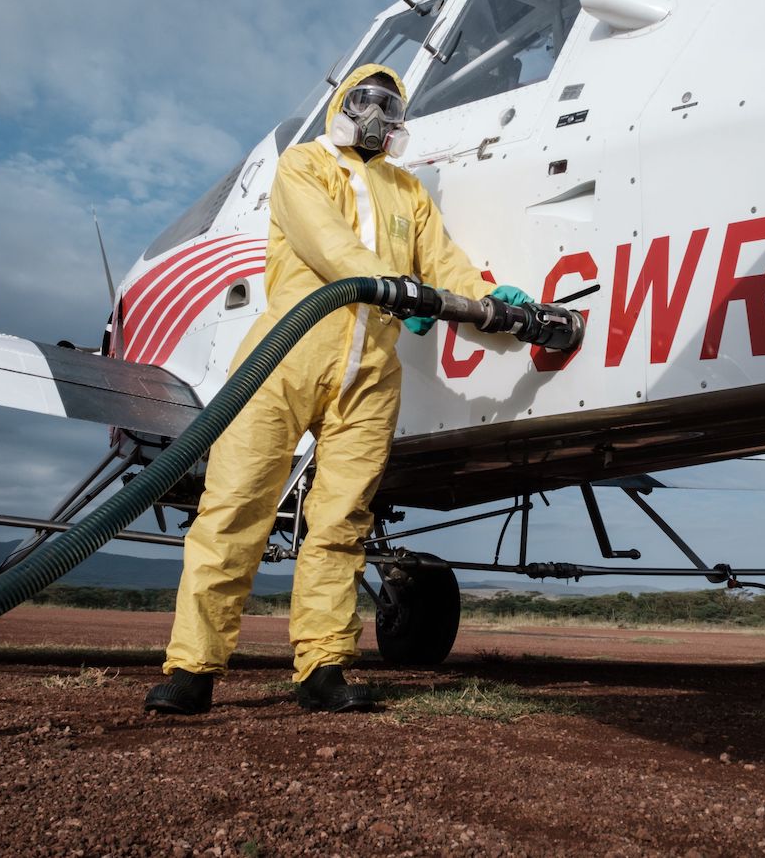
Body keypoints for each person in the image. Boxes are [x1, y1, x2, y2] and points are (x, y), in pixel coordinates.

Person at [145, 63, 530, 714]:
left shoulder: (407, 193)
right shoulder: (303, 167)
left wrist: (493, 301)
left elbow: (445, 265)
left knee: (342, 521)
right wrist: (395, 285)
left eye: (390, 103)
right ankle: (192, 668)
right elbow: (327, 245)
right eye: (367, 99)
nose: (379, 111)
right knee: (235, 507)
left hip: (370, 375)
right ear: (341, 106)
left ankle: (322, 666)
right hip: (282, 358)